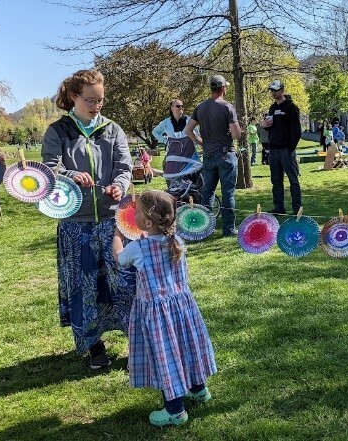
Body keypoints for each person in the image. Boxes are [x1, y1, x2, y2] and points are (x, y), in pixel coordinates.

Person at [41, 69, 137, 369]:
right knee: (85, 286)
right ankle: (95, 347)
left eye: (101, 100)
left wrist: (119, 185)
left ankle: (137, 341)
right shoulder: (58, 131)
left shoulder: (112, 129)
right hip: (75, 223)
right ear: (73, 97)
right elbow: (49, 169)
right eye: (90, 100)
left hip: (113, 221)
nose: (97, 106)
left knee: (124, 283)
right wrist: (71, 174)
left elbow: (124, 165)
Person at [112, 190, 217, 427]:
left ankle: (175, 411)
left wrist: (118, 233)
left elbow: (119, 258)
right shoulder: (177, 241)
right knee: (186, 349)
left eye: (137, 212)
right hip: (183, 310)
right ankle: (199, 390)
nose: (133, 215)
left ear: (147, 222)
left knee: (166, 359)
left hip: (158, 317)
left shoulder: (137, 249)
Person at [185, 75, 241, 236]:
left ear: (211, 88)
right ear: (223, 88)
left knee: (208, 192)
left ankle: (204, 228)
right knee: (228, 193)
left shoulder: (201, 107)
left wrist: (201, 142)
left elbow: (188, 130)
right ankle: (228, 229)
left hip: (208, 156)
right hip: (225, 155)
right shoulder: (227, 107)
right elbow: (237, 135)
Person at [263, 79, 302, 215]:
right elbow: (272, 128)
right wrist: (265, 127)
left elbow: (296, 131)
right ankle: (279, 208)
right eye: (272, 90)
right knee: (276, 180)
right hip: (274, 149)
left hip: (286, 150)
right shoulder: (272, 108)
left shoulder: (291, 108)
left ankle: (297, 208)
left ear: (282, 90)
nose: (273, 93)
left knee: (293, 180)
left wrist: (290, 148)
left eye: (276, 90)